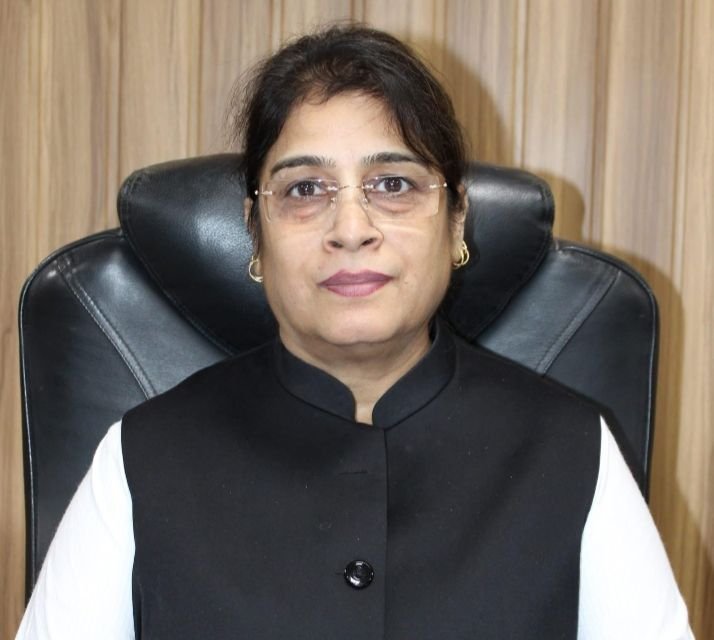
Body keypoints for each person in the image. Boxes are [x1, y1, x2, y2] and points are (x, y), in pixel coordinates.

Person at [16, 24, 693, 640]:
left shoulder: (572, 450)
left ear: (456, 220)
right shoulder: (142, 458)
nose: (350, 228)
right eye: (305, 190)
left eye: (393, 184)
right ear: (255, 232)